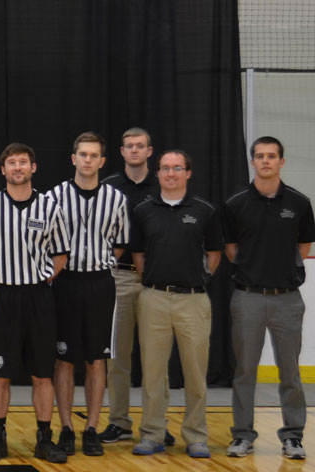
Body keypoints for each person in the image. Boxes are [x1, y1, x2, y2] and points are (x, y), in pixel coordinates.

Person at [0, 143, 71, 464]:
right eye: (11, 163)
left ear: (33, 168)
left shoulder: (51, 207)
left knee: (43, 373)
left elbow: (60, 255)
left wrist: (40, 280)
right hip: (3, 297)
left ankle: (44, 437)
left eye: (23, 163)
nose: (17, 168)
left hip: (38, 297)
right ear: (2, 170)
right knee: (0, 374)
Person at [129, 149, 222, 458]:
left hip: (193, 301)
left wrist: (196, 280)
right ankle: (152, 434)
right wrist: (155, 283)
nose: (171, 173)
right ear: (157, 173)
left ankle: (196, 436)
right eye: (165, 168)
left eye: (177, 168)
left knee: (195, 374)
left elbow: (214, 254)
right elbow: (139, 255)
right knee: (152, 374)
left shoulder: (205, 210)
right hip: (153, 298)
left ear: (188, 173)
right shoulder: (144, 211)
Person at [224, 136, 312, 460]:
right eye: (259, 156)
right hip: (247, 298)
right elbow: (232, 251)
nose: (265, 161)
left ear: (281, 162)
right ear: (252, 162)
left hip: (287, 299)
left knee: (289, 372)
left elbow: (303, 248)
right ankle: (243, 436)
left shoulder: (300, 203)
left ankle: (292, 437)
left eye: (271, 156)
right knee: (245, 371)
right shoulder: (235, 204)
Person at [45, 132, 129, 457]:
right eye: (83, 154)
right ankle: (66, 427)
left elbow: (119, 243)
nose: (88, 160)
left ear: (102, 161)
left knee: (96, 359)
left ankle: (91, 428)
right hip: (64, 282)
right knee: (64, 359)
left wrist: (99, 260)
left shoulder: (116, 199)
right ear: (73, 158)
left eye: (94, 155)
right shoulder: (53, 197)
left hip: (99, 283)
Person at [98, 127, 160, 444]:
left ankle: (154, 425)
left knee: (154, 358)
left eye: (140, 146)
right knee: (118, 357)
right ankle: (119, 421)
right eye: (129, 146)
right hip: (120, 277)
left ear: (150, 151)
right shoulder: (108, 187)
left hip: (155, 281)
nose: (134, 150)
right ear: (121, 152)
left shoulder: (163, 183)